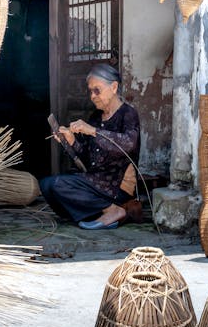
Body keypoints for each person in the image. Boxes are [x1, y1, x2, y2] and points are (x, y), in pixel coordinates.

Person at [40, 63, 142, 230]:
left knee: (57, 184)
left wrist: (92, 130)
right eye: (90, 91)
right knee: (46, 185)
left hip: (116, 187)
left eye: (97, 90)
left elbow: (129, 144)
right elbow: (87, 156)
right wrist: (71, 140)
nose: (92, 96)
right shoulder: (96, 116)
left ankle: (113, 210)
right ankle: (97, 211)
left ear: (114, 87)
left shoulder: (128, 114)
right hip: (95, 181)